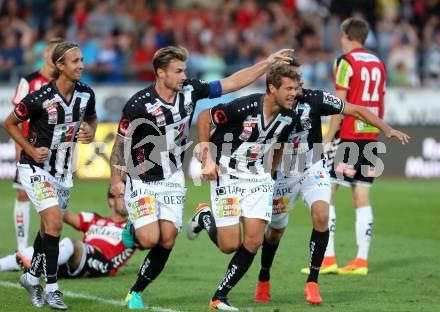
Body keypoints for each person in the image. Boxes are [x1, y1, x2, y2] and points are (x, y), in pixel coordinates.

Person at [109, 46, 293, 309]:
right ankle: (133, 228)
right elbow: (121, 143)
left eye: (184, 70)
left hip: (172, 176)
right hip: (142, 176)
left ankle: (135, 291)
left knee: (168, 239)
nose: (184, 75)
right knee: (150, 238)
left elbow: (232, 82)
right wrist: (116, 178)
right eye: (178, 71)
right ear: (161, 73)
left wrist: (267, 63)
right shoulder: (138, 105)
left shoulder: (191, 91)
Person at [253, 58, 410, 305]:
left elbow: (355, 109)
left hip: (313, 168)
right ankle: (264, 278)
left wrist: (386, 129)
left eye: (299, 78)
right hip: (282, 173)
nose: (298, 83)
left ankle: (313, 283)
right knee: (275, 232)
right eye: (292, 79)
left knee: (322, 216)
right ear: (275, 84)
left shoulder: (315, 99)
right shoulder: (267, 104)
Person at [186, 64, 302, 311]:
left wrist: (270, 172)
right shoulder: (245, 106)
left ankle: (220, 296)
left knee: (253, 240)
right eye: (289, 88)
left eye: (296, 88)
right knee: (229, 245)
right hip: (227, 173)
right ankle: (205, 216)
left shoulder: (290, 117)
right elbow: (205, 116)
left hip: (258, 177)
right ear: (272, 88)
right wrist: (207, 156)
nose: (295, 93)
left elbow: (280, 143)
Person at [3, 41, 97, 310]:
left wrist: (90, 131)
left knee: (47, 230)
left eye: (81, 59)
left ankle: (31, 277)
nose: (82, 64)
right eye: (75, 61)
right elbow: (10, 123)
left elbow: (92, 118)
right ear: (60, 66)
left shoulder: (86, 94)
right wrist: (31, 149)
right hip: (35, 168)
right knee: (55, 222)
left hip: (64, 172)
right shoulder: (39, 97)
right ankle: (53, 289)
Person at [324, 17, 388, 275]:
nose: (340, 41)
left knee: (326, 193)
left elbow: (339, 104)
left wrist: (328, 138)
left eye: (341, 36)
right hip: (371, 135)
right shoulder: (379, 63)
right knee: (361, 197)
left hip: (348, 134)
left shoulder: (345, 62)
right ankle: (361, 261)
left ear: (347, 36)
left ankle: (328, 259)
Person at [0, 188, 135, 278]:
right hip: (75, 259)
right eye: (123, 196)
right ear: (111, 200)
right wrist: (48, 199)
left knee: (71, 243)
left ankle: (37, 263)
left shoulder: (132, 228)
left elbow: (150, 239)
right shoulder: (94, 219)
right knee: (37, 250)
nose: (128, 201)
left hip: (103, 263)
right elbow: (63, 215)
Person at [11, 37, 64, 253]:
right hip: (30, 149)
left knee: (52, 203)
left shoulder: (64, 83)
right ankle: (22, 250)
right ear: (45, 53)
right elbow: (16, 118)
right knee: (23, 194)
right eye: (53, 51)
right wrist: (20, 150)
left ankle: (41, 251)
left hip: (57, 154)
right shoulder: (29, 81)